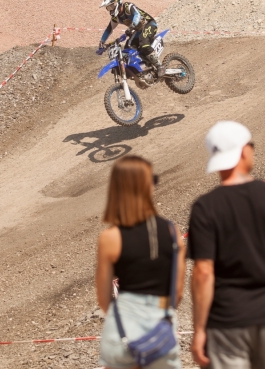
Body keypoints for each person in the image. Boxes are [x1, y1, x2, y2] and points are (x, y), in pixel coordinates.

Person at [187, 121, 265, 369]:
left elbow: (203, 273)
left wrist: (199, 329)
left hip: (225, 323)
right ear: (244, 151)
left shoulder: (205, 207)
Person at [96, 155, 185, 369]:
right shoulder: (172, 232)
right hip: (160, 327)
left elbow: (103, 298)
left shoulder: (109, 238)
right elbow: (178, 293)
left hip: (122, 329)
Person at [99, 0, 164, 78]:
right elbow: (109, 29)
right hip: (137, 30)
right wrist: (102, 41)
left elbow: (137, 15)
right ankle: (143, 67)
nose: (110, 10)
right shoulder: (116, 17)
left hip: (149, 24)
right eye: (108, 8)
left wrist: (131, 26)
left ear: (117, 3)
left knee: (143, 43)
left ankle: (160, 66)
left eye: (111, 6)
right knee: (128, 49)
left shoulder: (127, 7)